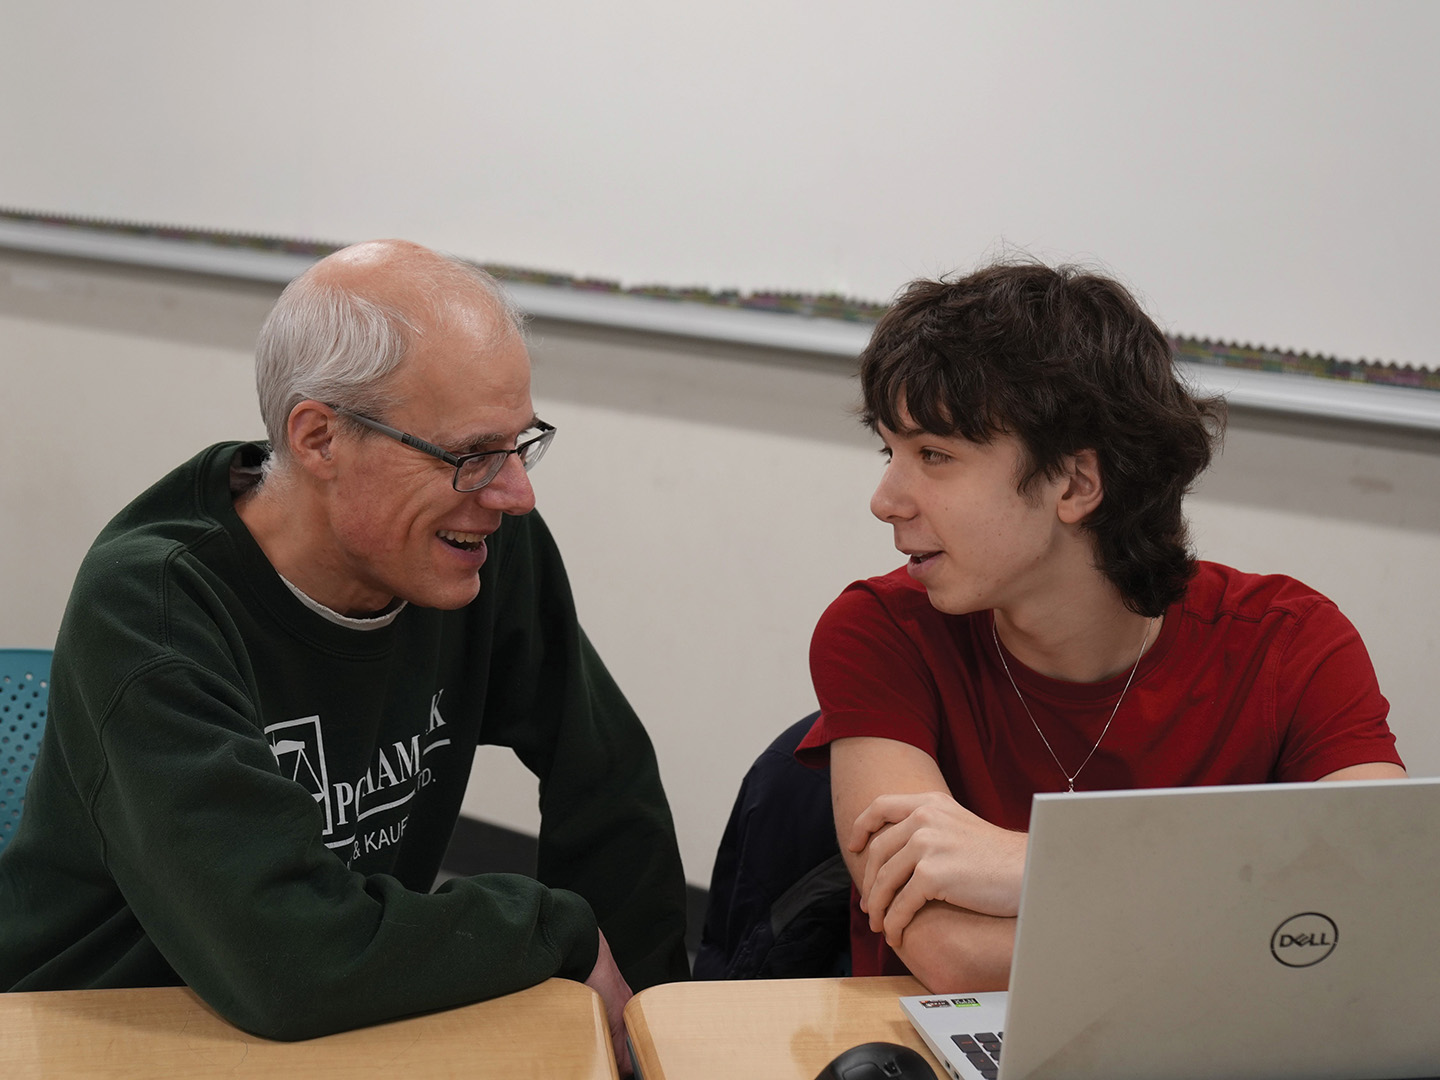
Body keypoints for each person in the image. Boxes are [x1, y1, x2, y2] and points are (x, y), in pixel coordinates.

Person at [0, 240, 688, 1067]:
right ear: (320, 438)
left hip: (335, 1022)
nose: (515, 492)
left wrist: (646, 1035)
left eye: (521, 443)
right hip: (106, 1030)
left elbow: (606, 779)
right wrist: (558, 928)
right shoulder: (153, 610)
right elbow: (285, 958)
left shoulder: (476, 546)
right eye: (472, 455)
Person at [796, 261, 1405, 992]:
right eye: (888, 450)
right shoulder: (879, 632)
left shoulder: (1291, 641)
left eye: (934, 455)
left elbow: (1381, 900)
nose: (886, 499)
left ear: (1077, 484)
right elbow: (951, 953)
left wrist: (1031, 869)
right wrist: (1247, 919)